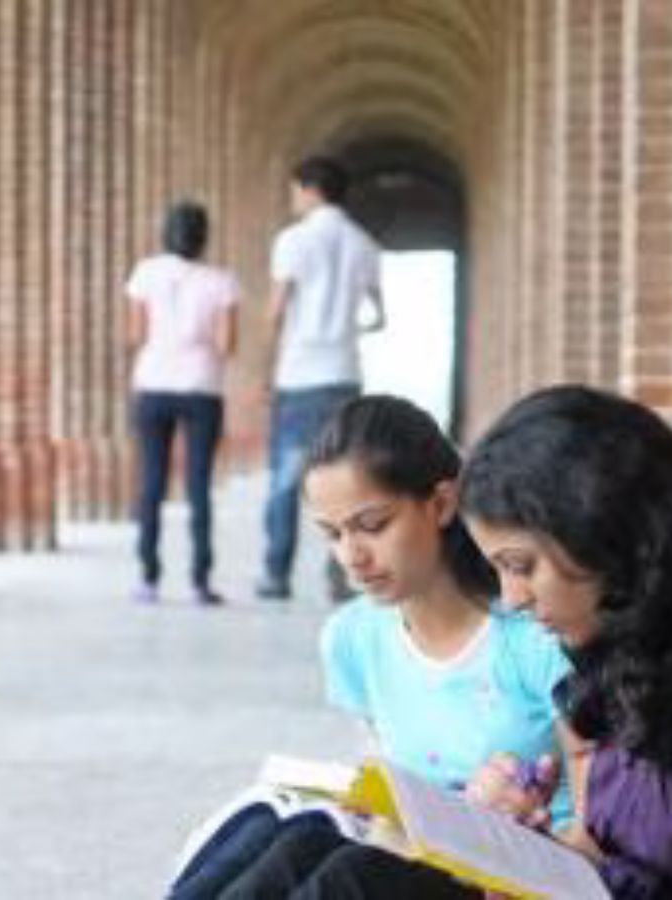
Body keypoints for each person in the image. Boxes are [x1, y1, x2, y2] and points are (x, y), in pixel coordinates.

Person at [266, 384, 672, 899]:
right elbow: (616, 858)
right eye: (499, 568)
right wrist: (513, 845)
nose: (514, 598)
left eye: (523, 565)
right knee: (301, 844)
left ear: (604, 537)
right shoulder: (630, 662)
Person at [169, 395, 572, 899]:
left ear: (442, 504)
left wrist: (511, 814)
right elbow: (393, 806)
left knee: (347, 879)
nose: (351, 557)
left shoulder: (535, 635)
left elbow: (602, 820)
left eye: (372, 526)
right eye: (332, 534)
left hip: (520, 873)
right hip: (425, 858)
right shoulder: (352, 638)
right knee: (290, 843)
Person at [256, 156, 385, 602]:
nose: (293, 199)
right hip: (345, 373)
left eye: (295, 190)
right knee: (345, 480)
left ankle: (276, 574)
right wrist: (347, 329)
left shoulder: (293, 240)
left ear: (312, 189)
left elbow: (275, 312)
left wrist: (264, 370)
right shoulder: (364, 243)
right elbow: (379, 316)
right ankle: (341, 575)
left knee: (286, 481)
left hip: (299, 373)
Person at [124, 201, 240, 605]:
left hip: (153, 384)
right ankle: (199, 581)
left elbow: (135, 335)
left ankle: (148, 577)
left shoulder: (145, 273)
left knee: (152, 483)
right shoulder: (222, 281)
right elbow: (227, 345)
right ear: (203, 236)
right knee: (198, 486)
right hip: (201, 386)